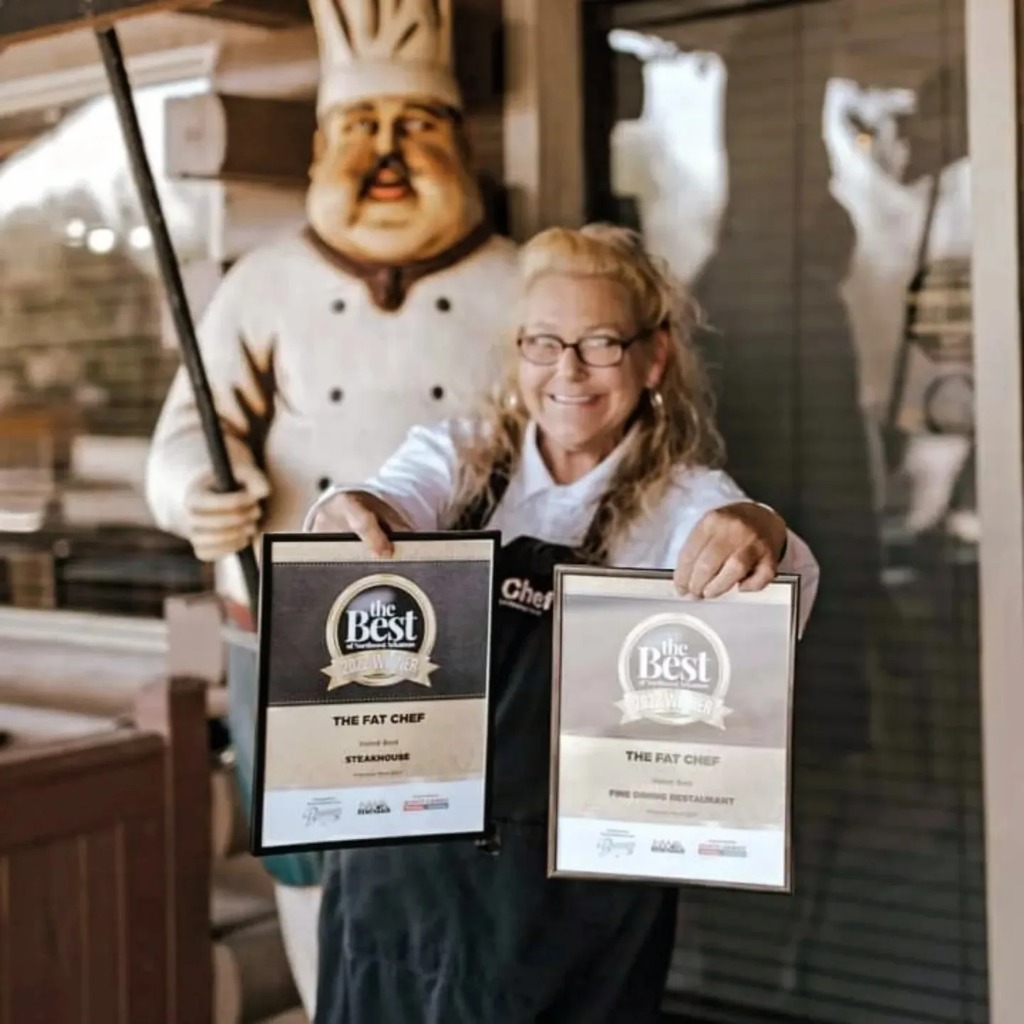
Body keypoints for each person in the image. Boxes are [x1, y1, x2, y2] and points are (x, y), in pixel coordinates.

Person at [303, 222, 820, 1024]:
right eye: (543, 342)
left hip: (569, 903)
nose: (567, 370)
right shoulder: (454, 456)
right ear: (516, 352)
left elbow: (778, 584)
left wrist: (764, 530)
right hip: (399, 866)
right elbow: (386, 503)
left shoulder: (688, 501)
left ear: (654, 359)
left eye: (600, 343)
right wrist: (354, 515)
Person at [144, 0, 518, 1010]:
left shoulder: (522, 286)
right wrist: (197, 493)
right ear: (317, 148)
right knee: (314, 863)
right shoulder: (261, 288)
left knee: (462, 858)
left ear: (465, 147)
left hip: (469, 637)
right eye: (361, 129)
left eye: (416, 128)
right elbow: (188, 430)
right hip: (292, 634)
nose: (387, 155)